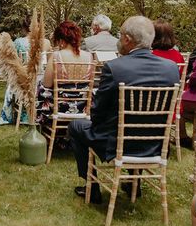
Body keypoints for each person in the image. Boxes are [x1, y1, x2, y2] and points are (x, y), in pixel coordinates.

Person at [68, 16, 180, 204]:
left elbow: (98, 113)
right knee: (137, 126)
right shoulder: (171, 68)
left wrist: (95, 118)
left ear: (127, 39)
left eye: (119, 36)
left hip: (115, 142)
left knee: (76, 126)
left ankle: (91, 187)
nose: (118, 40)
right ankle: (132, 183)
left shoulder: (114, 67)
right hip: (156, 144)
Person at [37, 21, 93, 131]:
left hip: (61, 107)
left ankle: (47, 128)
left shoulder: (56, 56)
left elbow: (47, 84)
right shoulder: (89, 56)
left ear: (61, 40)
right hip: (82, 106)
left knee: (39, 88)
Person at [0, 15, 38, 125]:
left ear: (24, 28)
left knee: (12, 84)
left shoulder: (18, 42)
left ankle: (17, 114)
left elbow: (14, 62)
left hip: (23, 80)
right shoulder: (45, 42)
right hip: (38, 80)